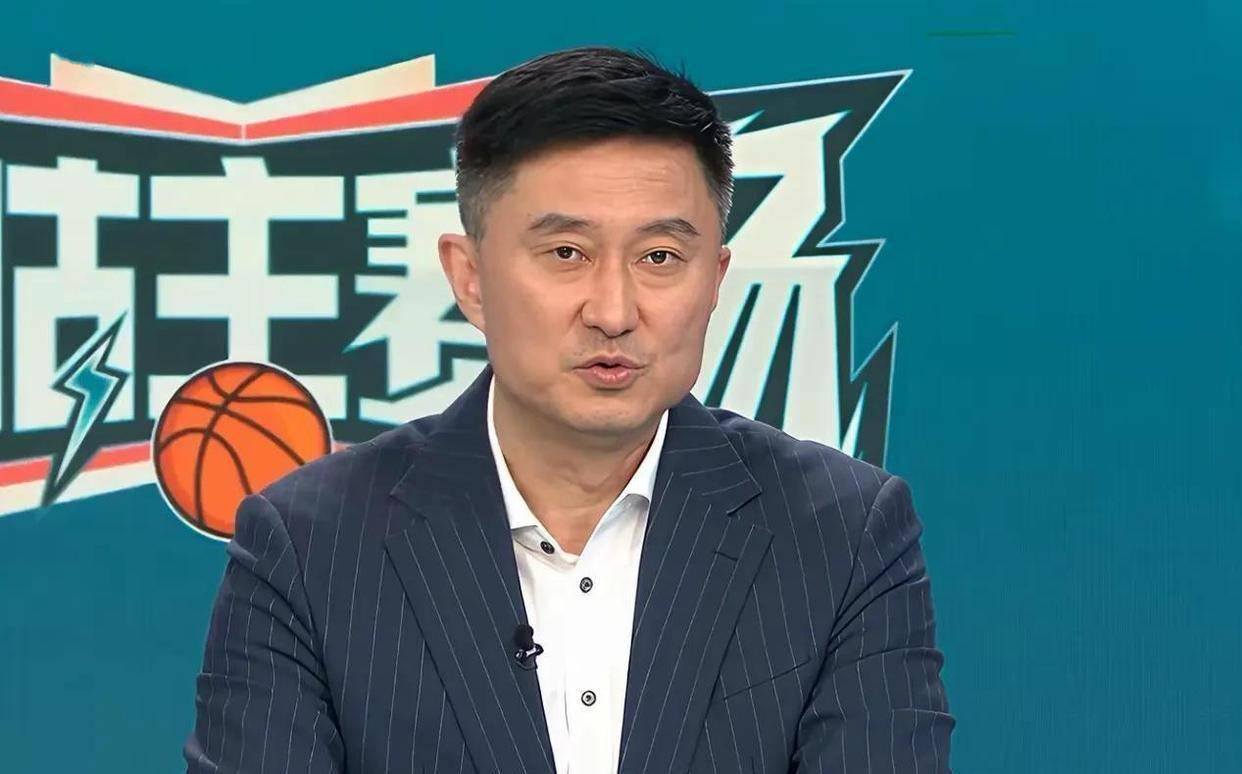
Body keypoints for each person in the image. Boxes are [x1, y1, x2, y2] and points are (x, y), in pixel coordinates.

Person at [184, 45, 954, 774]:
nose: (613, 311)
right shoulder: (311, 545)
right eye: (566, 254)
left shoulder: (841, 535)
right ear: (470, 277)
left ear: (715, 279)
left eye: (659, 257)